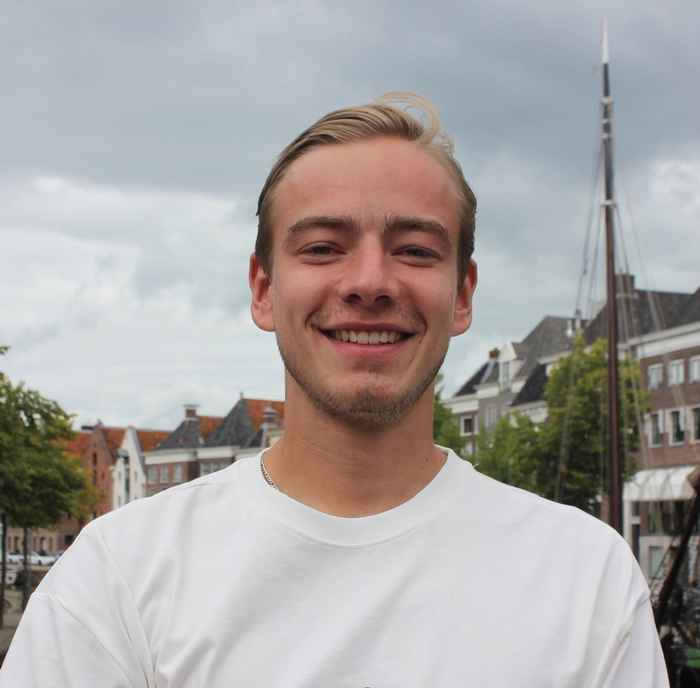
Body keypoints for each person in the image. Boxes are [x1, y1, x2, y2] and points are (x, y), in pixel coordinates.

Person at [0, 93, 668, 687]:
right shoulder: (117, 578)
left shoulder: (587, 581)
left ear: (463, 295)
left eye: (415, 250)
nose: (369, 281)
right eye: (323, 247)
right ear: (264, 289)